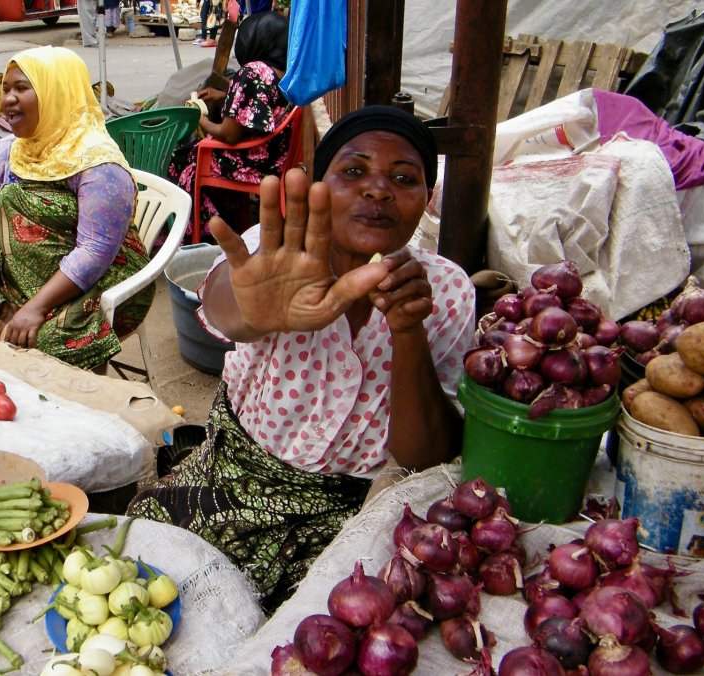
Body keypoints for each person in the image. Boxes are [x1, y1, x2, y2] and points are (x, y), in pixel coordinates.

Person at [128, 106, 476, 612]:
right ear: (318, 187)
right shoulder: (271, 257)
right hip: (230, 476)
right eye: (353, 171)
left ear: (426, 199)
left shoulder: (446, 290)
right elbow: (225, 311)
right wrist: (254, 309)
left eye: (404, 178)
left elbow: (426, 456)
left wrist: (407, 331)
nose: (378, 190)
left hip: (343, 515)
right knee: (150, 584)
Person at [0, 46, 153, 371]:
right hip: (14, 282)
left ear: (57, 93)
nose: (8, 99)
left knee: (34, 356)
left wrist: (37, 307)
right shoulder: (4, 153)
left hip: (94, 286)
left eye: (22, 89)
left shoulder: (100, 167)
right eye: (6, 88)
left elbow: (94, 251)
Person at [168, 11, 292, 240]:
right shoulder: (281, 72)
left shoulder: (253, 71)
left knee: (183, 158)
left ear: (255, 40)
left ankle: (198, 232)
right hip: (276, 155)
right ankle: (230, 220)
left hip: (253, 162)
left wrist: (199, 119)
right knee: (194, 151)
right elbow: (260, 104)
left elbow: (230, 134)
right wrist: (226, 95)